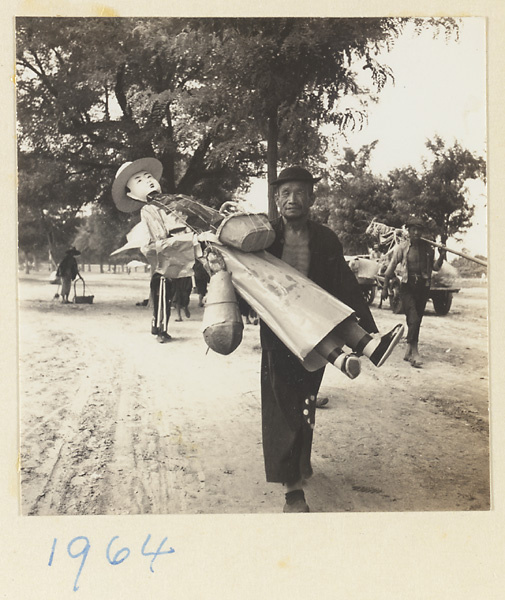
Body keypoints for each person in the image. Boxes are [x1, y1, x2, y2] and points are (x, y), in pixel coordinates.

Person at [258, 166, 402, 513]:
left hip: (317, 332)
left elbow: (345, 287)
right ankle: (292, 489)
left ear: (312, 197)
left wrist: (365, 336)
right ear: (276, 199)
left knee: (306, 401)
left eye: (300, 192)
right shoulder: (264, 236)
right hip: (279, 335)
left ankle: (300, 461)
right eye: (285, 193)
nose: (292, 199)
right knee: (283, 406)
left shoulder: (325, 239)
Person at [111, 158, 196, 343]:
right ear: (132, 194)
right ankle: (160, 330)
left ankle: (167, 321)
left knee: (182, 288)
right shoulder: (149, 209)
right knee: (163, 294)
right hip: (165, 257)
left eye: (148, 177)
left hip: (181, 251)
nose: (148, 181)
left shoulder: (172, 203)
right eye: (139, 181)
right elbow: (160, 235)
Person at [381, 215, 446, 368]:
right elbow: (390, 269)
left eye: (419, 230)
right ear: (408, 231)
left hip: (423, 287)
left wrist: (441, 254)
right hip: (407, 287)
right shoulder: (402, 247)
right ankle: (415, 352)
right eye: (413, 230)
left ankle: (409, 350)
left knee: (416, 320)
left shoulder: (428, 249)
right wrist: (384, 288)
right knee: (414, 319)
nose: (416, 233)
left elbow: (435, 268)